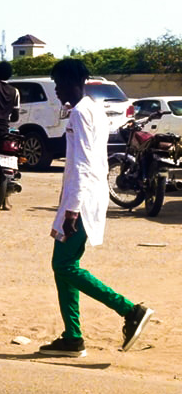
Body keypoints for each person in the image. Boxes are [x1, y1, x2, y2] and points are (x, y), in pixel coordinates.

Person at [38, 59, 154, 357]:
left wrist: (73, 209)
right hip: (82, 196)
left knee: (64, 266)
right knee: (63, 267)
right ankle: (72, 337)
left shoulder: (80, 113)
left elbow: (84, 162)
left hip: (82, 199)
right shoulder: (91, 110)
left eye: (58, 83)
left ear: (72, 81)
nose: (56, 89)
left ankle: (129, 310)